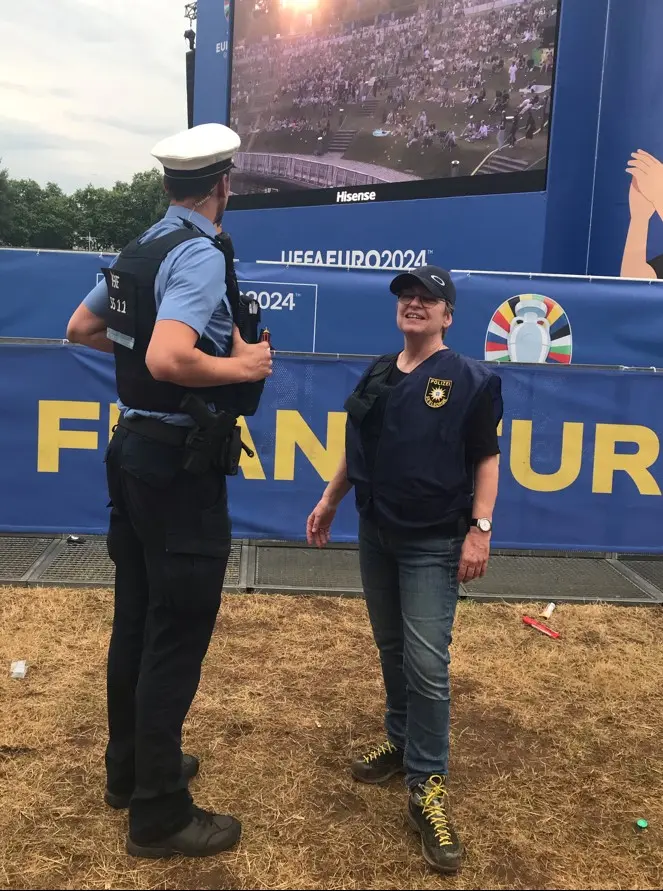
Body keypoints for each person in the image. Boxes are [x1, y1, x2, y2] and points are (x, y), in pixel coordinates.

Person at [66, 123, 272, 859]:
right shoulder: (197, 252)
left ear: (168, 188)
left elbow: (80, 327)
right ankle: (158, 812)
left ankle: (130, 770)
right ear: (223, 187)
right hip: (177, 465)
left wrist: (154, 371)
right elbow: (169, 352)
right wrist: (243, 370)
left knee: (139, 618)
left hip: (133, 451)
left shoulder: (141, 246)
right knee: (175, 633)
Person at [306, 266, 502, 875]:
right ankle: (400, 738)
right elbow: (356, 447)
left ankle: (428, 783)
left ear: (448, 314)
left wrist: (480, 529)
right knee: (392, 647)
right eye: (406, 297)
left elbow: (487, 458)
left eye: (428, 299)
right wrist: (330, 497)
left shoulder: (472, 379)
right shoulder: (378, 371)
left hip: (434, 541)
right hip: (376, 531)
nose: (414, 305)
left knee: (426, 661)